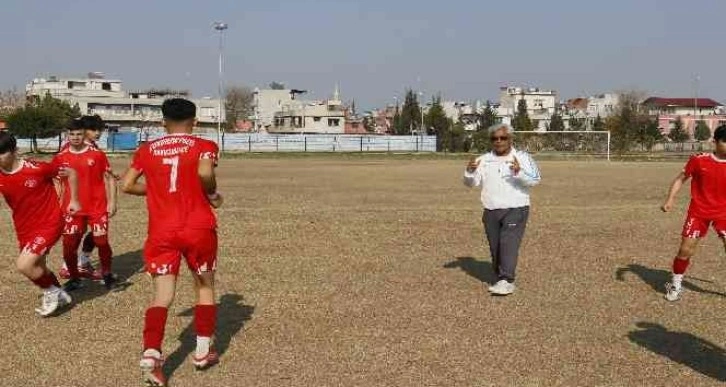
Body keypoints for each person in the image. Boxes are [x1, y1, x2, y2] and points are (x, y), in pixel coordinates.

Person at [121, 98, 223, 387]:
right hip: (197, 227)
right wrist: (212, 194)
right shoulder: (204, 144)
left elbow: (127, 185)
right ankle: (203, 351)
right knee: (204, 285)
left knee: (162, 296)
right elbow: (205, 173)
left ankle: (152, 355)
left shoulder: (146, 150)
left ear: (163, 121)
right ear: (195, 121)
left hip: (162, 231)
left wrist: (155, 190)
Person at [0, 131, 81, 316]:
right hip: (24, 227)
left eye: (2, 153)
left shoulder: (38, 168)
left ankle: (51, 291)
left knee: (24, 265)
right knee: (39, 267)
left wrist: (74, 200)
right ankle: (59, 294)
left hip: (50, 223)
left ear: (14, 151)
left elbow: (72, 173)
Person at [463, 123, 541, 296]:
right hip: (491, 209)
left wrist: (519, 172)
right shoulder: (483, 160)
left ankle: (507, 280)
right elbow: (471, 183)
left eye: (503, 138)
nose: (499, 141)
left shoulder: (522, 157)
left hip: (516, 207)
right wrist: (469, 172)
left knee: (508, 244)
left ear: (510, 139)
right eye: (495, 138)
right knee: (496, 247)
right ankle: (501, 277)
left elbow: (535, 179)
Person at [661, 124, 726, 301]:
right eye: (725, 142)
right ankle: (676, 284)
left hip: (724, 213)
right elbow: (680, 179)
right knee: (685, 250)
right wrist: (670, 199)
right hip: (699, 212)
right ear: (715, 142)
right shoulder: (699, 160)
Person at [53, 118, 118, 289]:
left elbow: (109, 177)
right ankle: (74, 277)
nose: (75, 137)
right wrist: (57, 205)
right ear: (67, 135)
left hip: (97, 206)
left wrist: (112, 202)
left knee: (102, 241)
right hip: (72, 209)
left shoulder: (97, 154)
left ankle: (107, 273)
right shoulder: (60, 157)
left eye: (79, 134)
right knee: (69, 246)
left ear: (84, 135)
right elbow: (57, 183)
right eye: (72, 134)